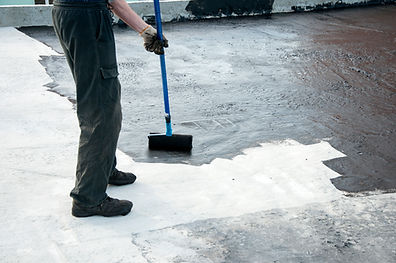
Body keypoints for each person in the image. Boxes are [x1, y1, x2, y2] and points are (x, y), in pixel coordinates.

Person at [52, 0, 168, 217]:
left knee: (96, 95)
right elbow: (115, 2)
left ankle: (103, 170)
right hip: (87, 18)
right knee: (102, 107)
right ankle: (88, 197)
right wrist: (145, 31)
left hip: (68, 12)